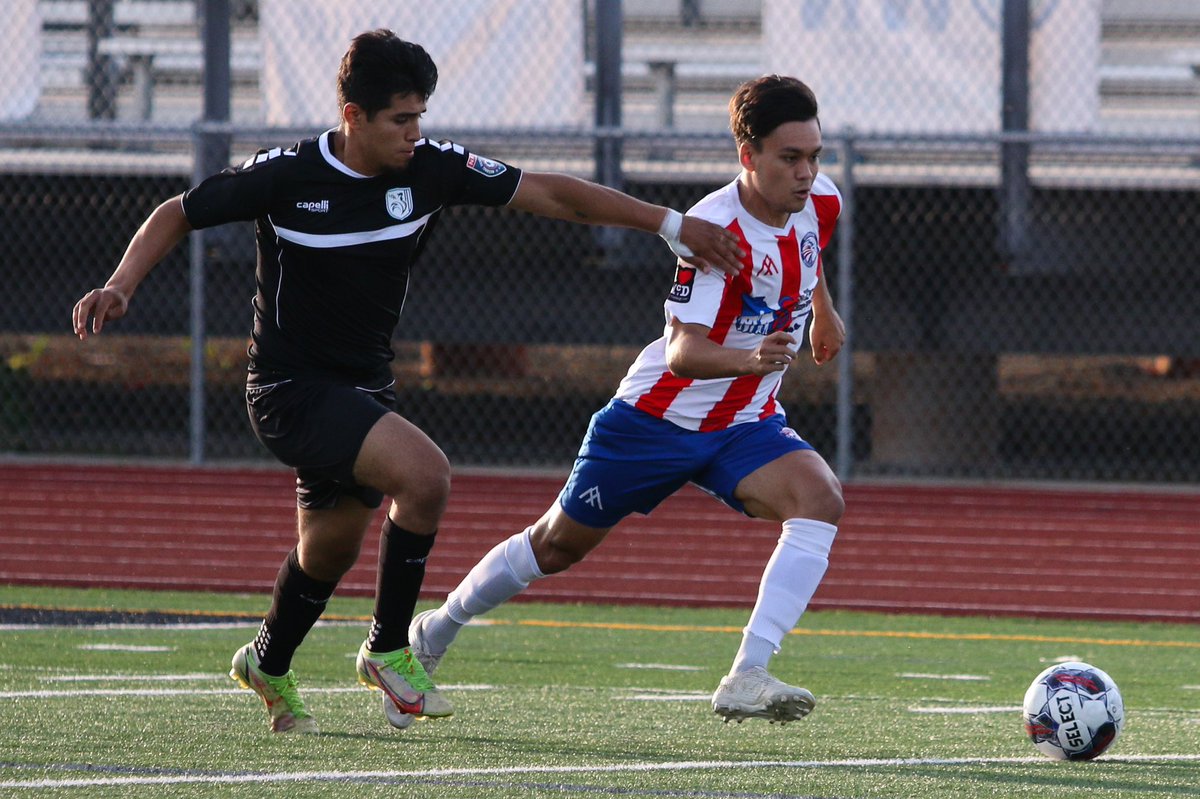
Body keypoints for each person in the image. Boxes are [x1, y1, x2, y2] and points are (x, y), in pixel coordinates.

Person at [70, 29, 745, 735]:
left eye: (420, 116)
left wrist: (670, 223)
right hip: (288, 388)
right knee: (426, 476)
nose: (415, 133)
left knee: (328, 548)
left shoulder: (430, 168)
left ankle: (267, 660)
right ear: (353, 116)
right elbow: (176, 212)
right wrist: (120, 284)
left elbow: (553, 194)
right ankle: (389, 649)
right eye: (401, 119)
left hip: (363, 385)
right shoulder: (287, 175)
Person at [408, 74, 846, 726]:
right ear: (748, 155)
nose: (807, 172)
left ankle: (747, 671)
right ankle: (437, 626)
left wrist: (823, 311)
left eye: (814, 156)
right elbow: (683, 352)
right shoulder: (715, 232)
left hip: (744, 420)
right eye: (791, 158)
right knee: (555, 547)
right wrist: (751, 360)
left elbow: (808, 259)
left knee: (820, 497)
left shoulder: (821, 200)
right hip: (654, 420)